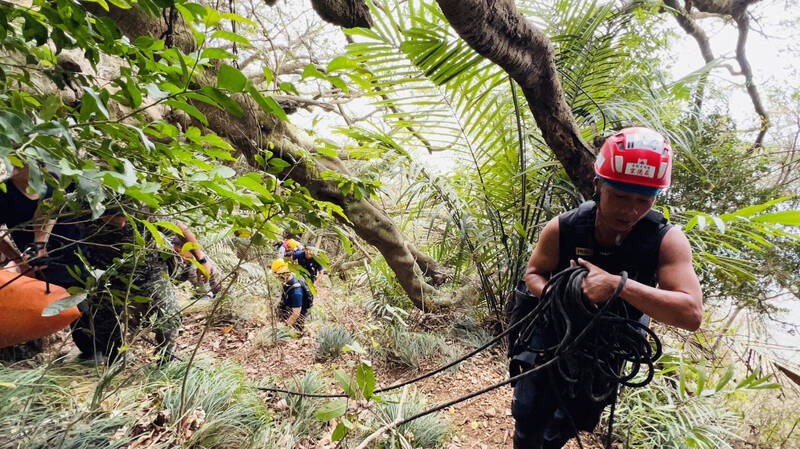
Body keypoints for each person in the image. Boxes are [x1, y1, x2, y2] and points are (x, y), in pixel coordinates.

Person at [511, 127, 703, 449]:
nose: (630, 210)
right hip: (554, 333)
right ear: (598, 185)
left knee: (573, 418)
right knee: (529, 410)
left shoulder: (666, 241)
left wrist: (617, 286)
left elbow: (691, 313)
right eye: (620, 196)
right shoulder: (565, 227)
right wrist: (558, 295)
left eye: (644, 200)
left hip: (605, 347)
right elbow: (534, 273)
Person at [71, 204, 181, 362]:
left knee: (169, 316)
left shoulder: (144, 206)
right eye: (114, 219)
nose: (121, 224)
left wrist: (201, 260)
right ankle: (117, 357)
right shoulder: (81, 210)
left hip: (149, 272)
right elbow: (49, 212)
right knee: (103, 324)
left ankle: (168, 358)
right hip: (106, 275)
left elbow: (179, 229)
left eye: (124, 218)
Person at [271, 259, 313, 331]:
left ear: (283, 274)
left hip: (296, 319)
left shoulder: (296, 292)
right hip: (289, 306)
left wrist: (284, 328)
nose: (276, 278)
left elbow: (296, 313)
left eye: (277, 276)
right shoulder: (292, 275)